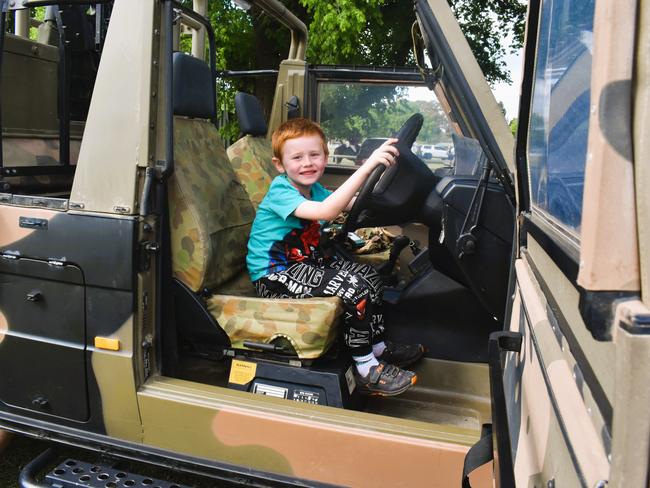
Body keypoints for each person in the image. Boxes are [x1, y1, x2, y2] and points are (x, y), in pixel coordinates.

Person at [247, 118, 424, 396]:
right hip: (275, 276)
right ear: (280, 165)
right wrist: (366, 168)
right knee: (354, 288)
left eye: (314, 155)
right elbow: (328, 211)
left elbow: (352, 201)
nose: (307, 163)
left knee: (368, 275)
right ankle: (366, 368)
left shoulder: (314, 189)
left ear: (325, 157)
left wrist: (396, 200)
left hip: (304, 265)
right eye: (297, 157)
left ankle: (377, 347)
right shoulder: (281, 191)